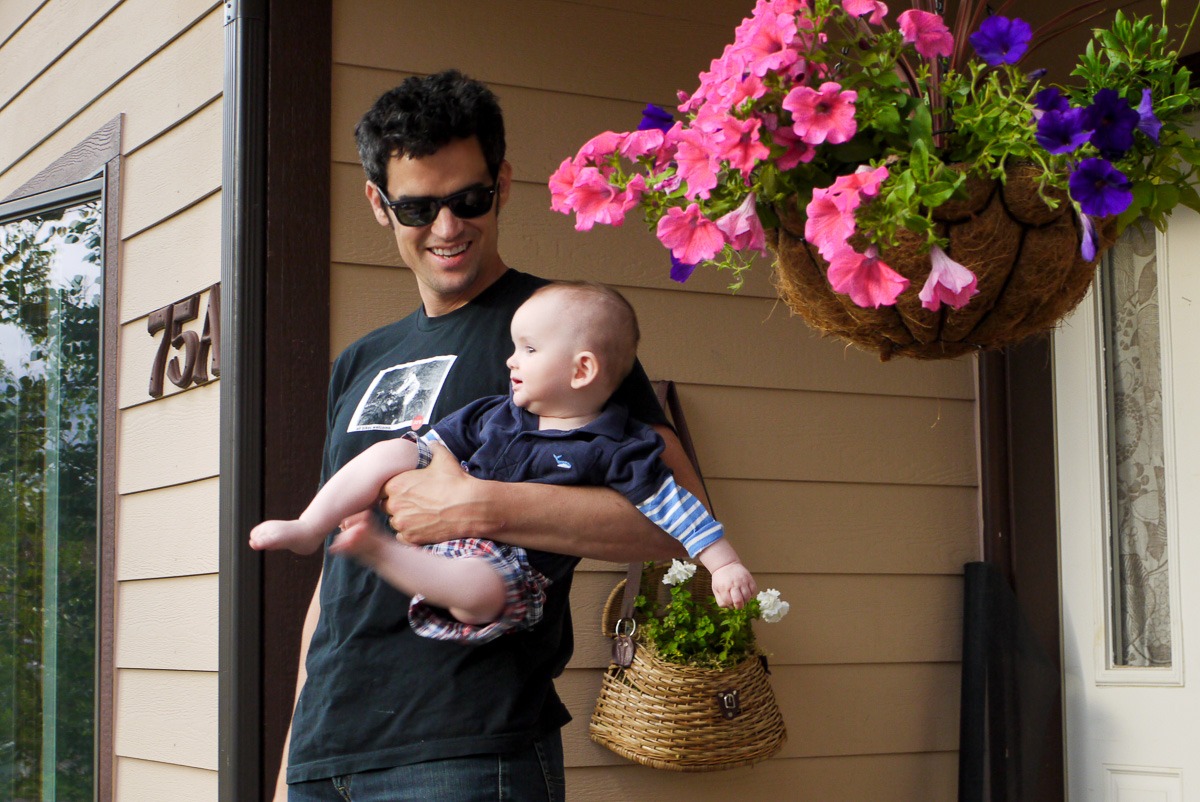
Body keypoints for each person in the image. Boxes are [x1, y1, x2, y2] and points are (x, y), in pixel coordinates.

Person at [275, 70, 709, 802]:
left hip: (467, 752)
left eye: (468, 199)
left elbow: (681, 523)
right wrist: (292, 763)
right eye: (418, 207)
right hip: (328, 754)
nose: (447, 228)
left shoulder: (560, 335)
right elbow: (336, 579)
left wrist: (479, 506)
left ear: (502, 184)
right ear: (379, 205)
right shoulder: (360, 360)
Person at [250, 283, 756, 642]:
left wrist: (723, 562)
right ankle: (310, 524)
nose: (511, 360)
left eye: (529, 349)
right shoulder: (500, 414)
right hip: (347, 694)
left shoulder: (618, 446)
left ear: (582, 369)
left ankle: (381, 552)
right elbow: (439, 445)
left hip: (512, 572)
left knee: (481, 589)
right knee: (391, 449)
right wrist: (420, 468)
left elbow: (675, 507)